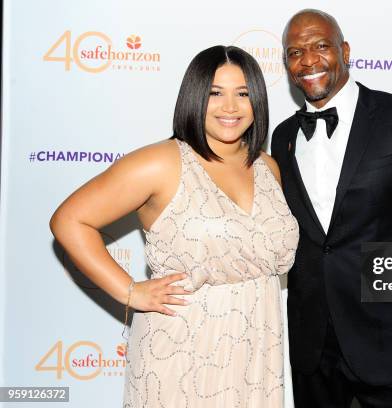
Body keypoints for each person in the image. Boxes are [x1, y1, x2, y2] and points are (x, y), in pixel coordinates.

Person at [50, 45, 298, 407]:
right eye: (215, 93)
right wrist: (131, 291)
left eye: (243, 94)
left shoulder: (267, 167)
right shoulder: (162, 162)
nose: (230, 107)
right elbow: (69, 220)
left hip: (257, 346)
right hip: (183, 346)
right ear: (195, 96)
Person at [271, 10, 392, 408]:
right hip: (312, 349)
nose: (308, 60)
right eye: (295, 52)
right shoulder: (283, 137)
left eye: (320, 46)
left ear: (344, 51)